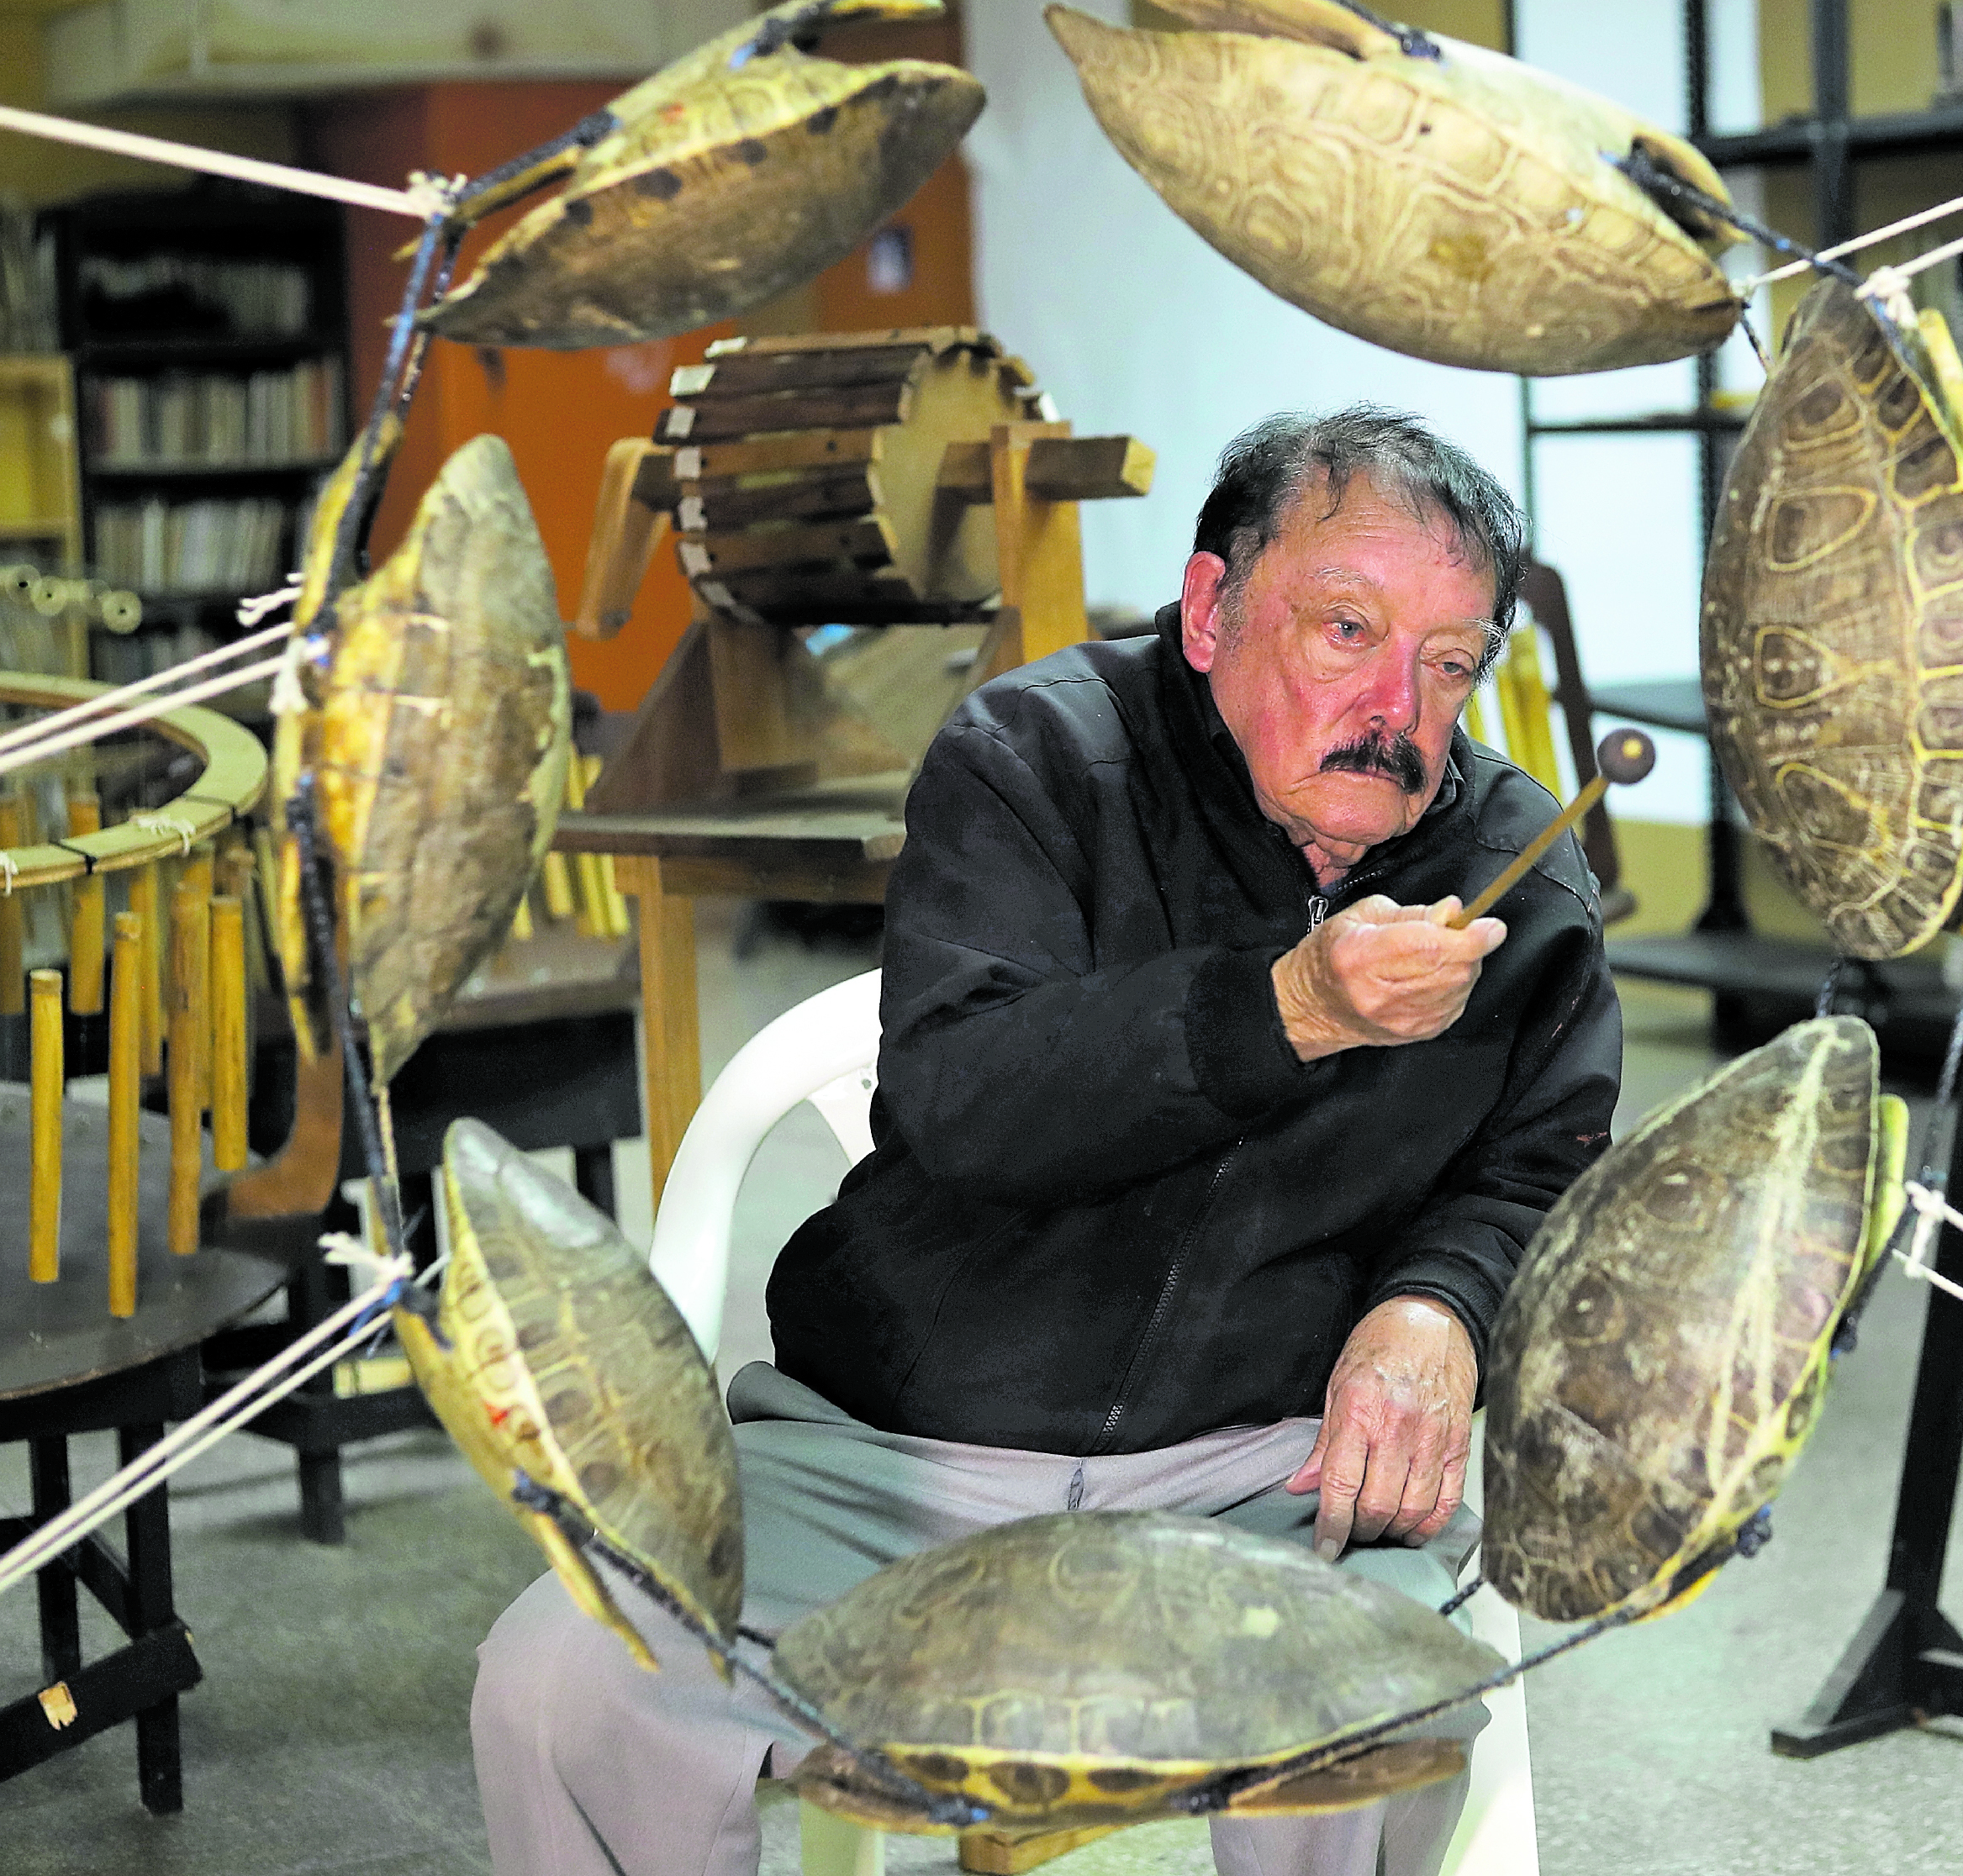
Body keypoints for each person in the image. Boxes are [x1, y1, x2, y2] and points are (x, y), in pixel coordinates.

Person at [472, 407, 1623, 1876]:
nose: (1398, 706)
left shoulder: (1514, 866)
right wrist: (1280, 1011)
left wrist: (1435, 1307)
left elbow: (1543, 1169)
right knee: (563, 1687)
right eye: (1347, 629)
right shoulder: (1036, 756)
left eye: (1450, 662)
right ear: (1210, 612)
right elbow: (961, 1102)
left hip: (1260, 1473)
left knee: (1389, 1695)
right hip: (889, 1452)